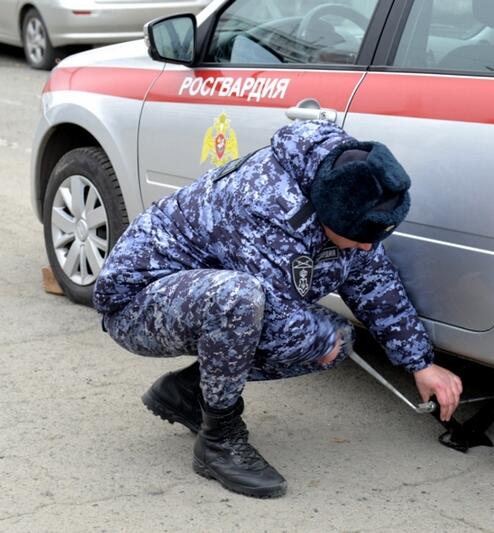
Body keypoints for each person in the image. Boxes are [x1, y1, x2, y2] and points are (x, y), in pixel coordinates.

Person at [93, 120, 463, 499]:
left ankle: (186, 392)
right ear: (329, 215)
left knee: (339, 338)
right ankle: (219, 441)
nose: (368, 247)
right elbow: (270, 317)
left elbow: (374, 282)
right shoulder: (266, 204)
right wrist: (319, 340)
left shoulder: (346, 187)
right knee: (242, 300)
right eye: (361, 239)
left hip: (198, 293)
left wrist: (420, 362)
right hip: (137, 301)